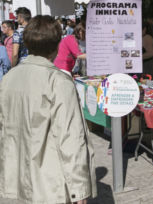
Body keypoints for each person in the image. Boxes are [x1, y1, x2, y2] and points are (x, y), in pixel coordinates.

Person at [0, 15, 96, 204]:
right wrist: (79, 189)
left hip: (18, 179)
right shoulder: (58, 81)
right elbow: (70, 137)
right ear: (57, 44)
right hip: (51, 183)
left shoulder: (9, 77)